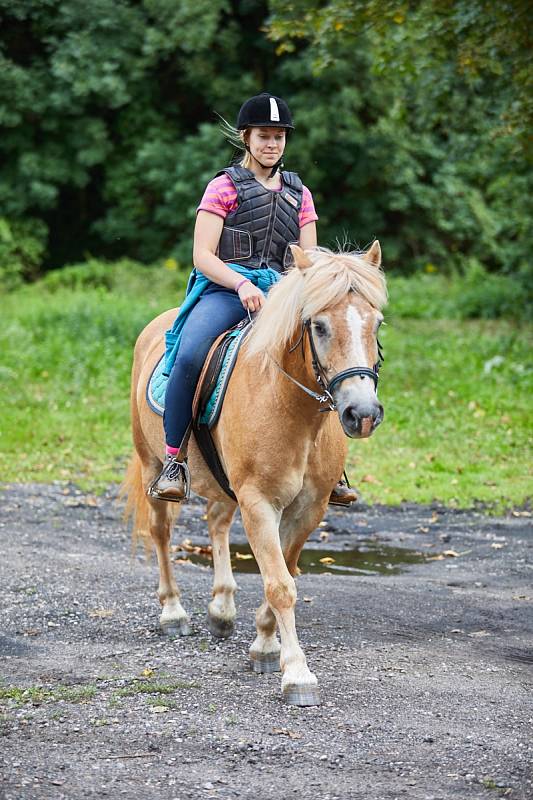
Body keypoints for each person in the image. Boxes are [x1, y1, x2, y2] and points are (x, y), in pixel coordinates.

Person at [148, 92, 357, 506]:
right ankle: (175, 460)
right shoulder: (223, 187)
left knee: (325, 355)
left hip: (282, 293)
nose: (272, 144)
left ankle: (331, 466)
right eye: (264, 136)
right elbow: (202, 255)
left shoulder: (301, 194)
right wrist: (242, 285)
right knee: (191, 355)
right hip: (228, 290)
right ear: (246, 137)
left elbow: (307, 261)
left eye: (279, 137)